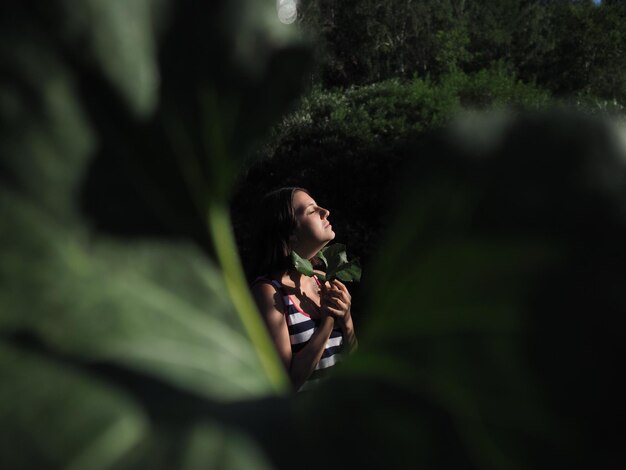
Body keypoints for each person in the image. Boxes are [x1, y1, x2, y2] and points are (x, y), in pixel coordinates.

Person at [250, 187, 358, 392]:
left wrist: (347, 321)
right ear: (289, 234)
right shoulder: (269, 292)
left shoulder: (322, 282)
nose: (325, 211)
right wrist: (327, 321)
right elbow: (283, 385)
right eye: (311, 210)